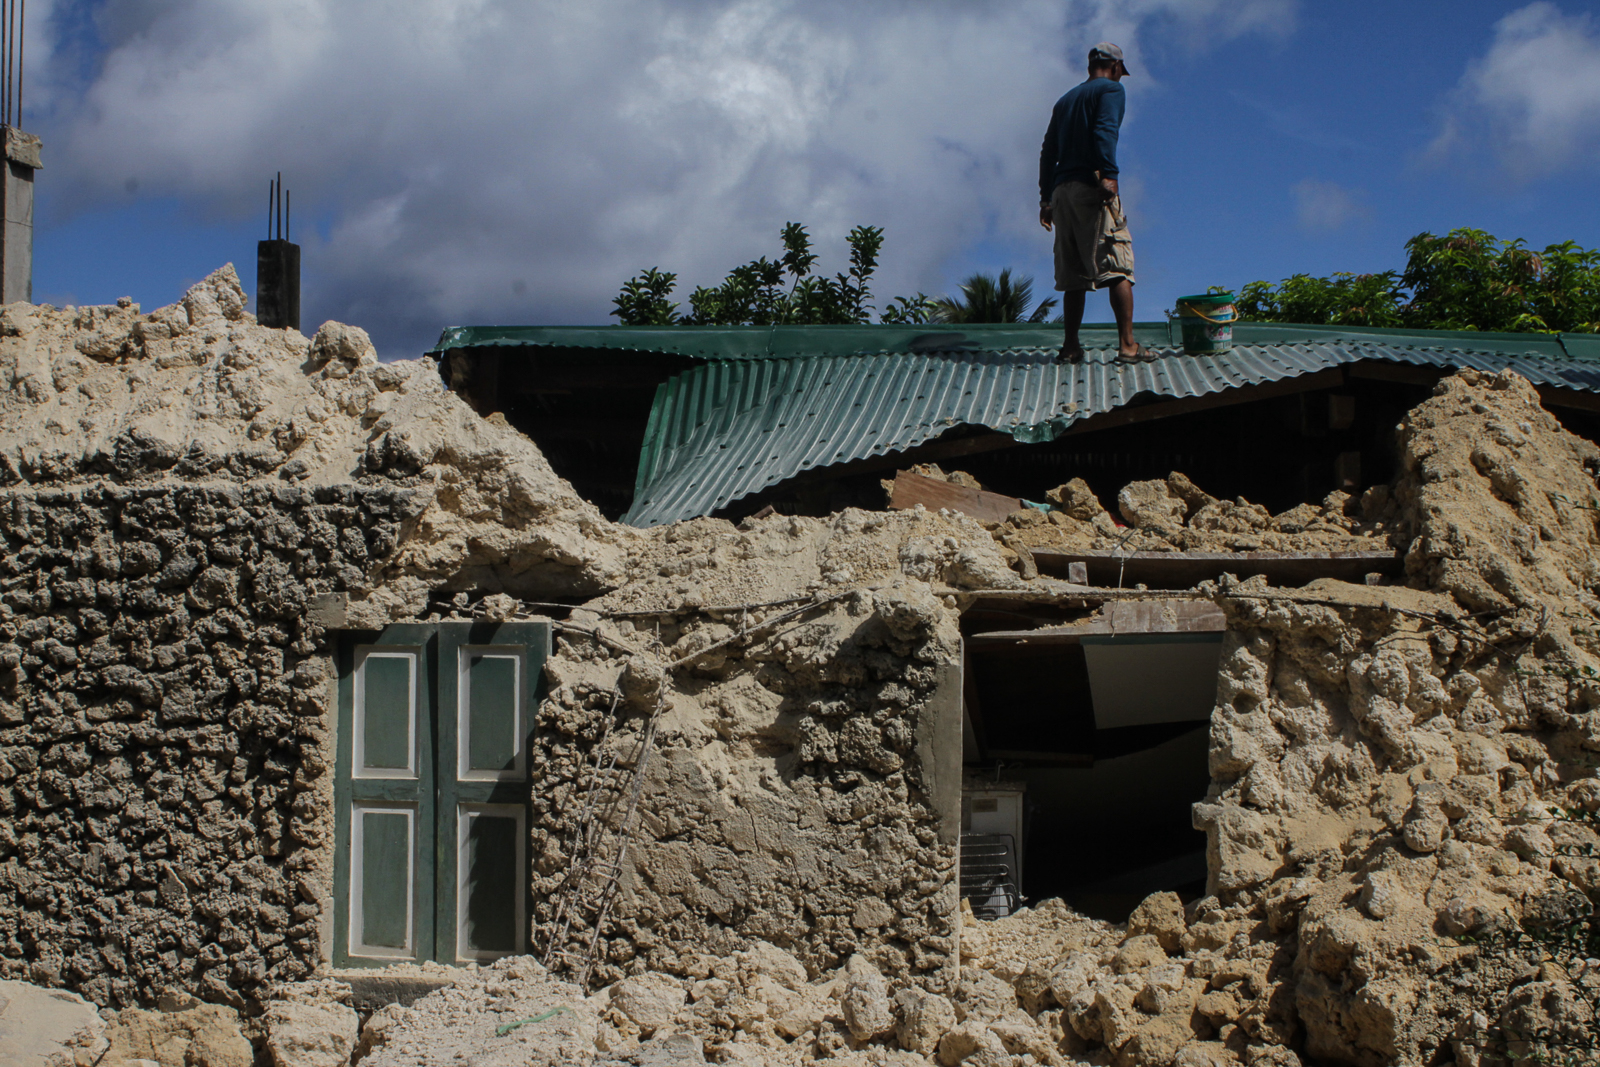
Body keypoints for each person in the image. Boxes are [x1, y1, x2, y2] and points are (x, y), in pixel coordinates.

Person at [1039, 42, 1152, 363]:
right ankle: (1128, 346)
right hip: (1091, 185)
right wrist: (1109, 174)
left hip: (1062, 191)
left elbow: (1048, 152)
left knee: (1074, 272)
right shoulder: (1111, 91)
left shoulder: (1064, 101)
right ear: (1116, 67)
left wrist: (1045, 198)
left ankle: (1071, 347)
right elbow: (1105, 131)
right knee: (1117, 266)